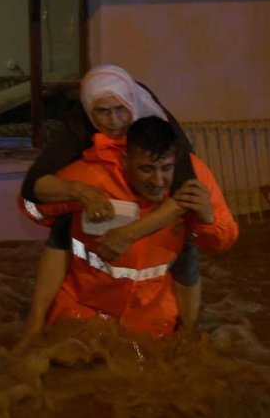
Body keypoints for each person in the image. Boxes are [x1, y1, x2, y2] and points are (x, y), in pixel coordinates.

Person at [20, 65, 203, 332]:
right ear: (88, 109)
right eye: (102, 112)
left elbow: (186, 193)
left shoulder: (158, 122)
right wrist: (82, 191)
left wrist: (129, 234)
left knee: (186, 241)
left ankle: (191, 329)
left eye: (120, 109)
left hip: (159, 197)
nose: (114, 121)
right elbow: (32, 186)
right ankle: (35, 323)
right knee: (63, 226)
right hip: (106, 183)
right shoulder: (78, 124)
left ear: (131, 102)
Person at [20, 117, 238, 338]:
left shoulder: (193, 178)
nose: (158, 181)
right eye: (146, 169)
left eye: (166, 168)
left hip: (153, 321)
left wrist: (207, 219)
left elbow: (221, 243)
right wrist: (76, 193)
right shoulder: (92, 176)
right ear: (125, 160)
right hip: (82, 313)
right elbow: (30, 207)